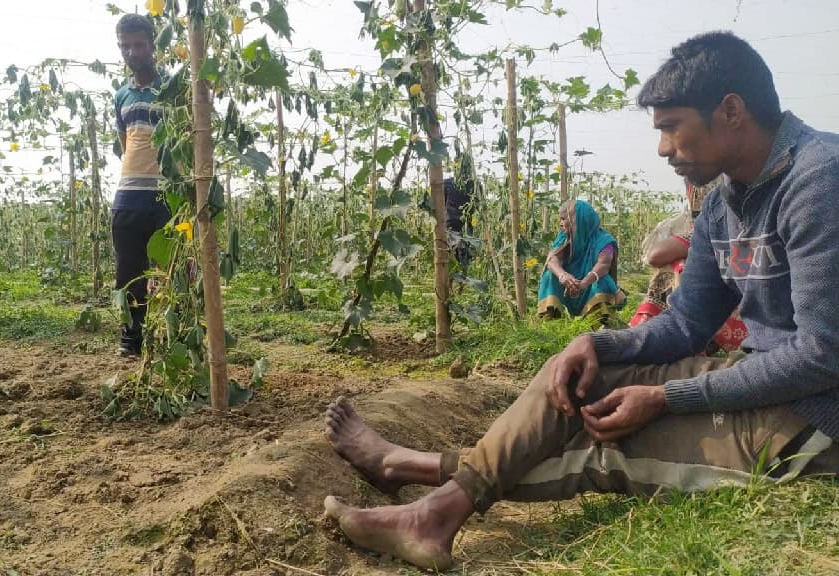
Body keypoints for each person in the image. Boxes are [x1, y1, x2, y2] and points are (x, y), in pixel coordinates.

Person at [322, 31, 839, 572]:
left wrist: (668, 398)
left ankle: (421, 485)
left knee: (612, 446)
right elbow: (687, 323)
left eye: (671, 127)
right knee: (581, 373)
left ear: (730, 111)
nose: (663, 148)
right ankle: (428, 502)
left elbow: (822, 355)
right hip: (767, 378)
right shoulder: (723, 204)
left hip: (817, 415)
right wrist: (596, 341)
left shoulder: (816, 180)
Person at [631, 178, 748, 353]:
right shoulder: (749, 220)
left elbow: (655, 256)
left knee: (675, 267)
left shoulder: (718, 223)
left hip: (732, 309)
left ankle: (681, 338)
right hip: (746, 307)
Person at [112, 13, 171, 356]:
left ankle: (174, 336)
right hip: (129, 193)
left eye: (139, 44)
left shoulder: (173, 89)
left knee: (174, 269)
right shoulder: (122, 96)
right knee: (129, 270)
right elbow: (125, 143)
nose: (132, 52)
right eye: (126, 46)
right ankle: (132, 337)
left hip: (167, 193)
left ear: (153, 47)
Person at [537, 199, 625, 319]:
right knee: (549, 276)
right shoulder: (564, 237)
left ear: (577, 220)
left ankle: (600, 322)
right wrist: (563, 276)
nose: (560, 223)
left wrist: (583, 283)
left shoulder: (605, 240)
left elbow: (603, 265)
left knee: (601, 281)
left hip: (590, 283)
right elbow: (552, 261)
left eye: (564, 219)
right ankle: (552, 319)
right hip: (569, 284)